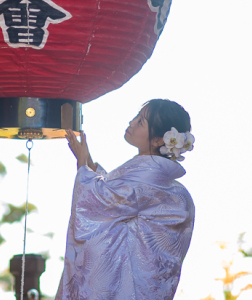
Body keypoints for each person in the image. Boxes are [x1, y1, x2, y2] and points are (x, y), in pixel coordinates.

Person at [56, 99, 195, 300]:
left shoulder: (150, 176)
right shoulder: (153, 175)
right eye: (136, 117)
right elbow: (113, 194)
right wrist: (86, 162)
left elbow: (102, 202)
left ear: (158, 140)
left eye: (140, 122)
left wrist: (82, 164)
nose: (131, 122)